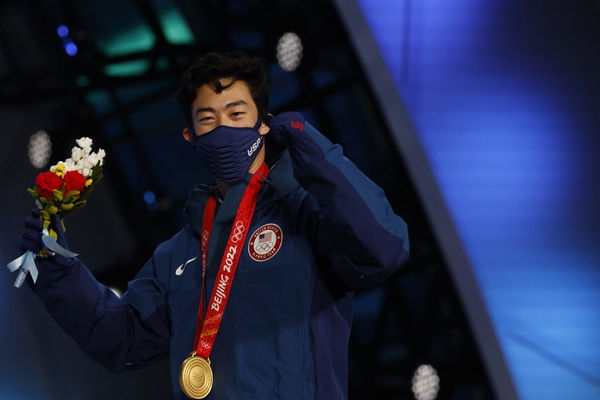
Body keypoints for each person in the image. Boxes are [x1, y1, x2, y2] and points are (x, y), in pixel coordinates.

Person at [18, 51, 409, 400]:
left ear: (263, 125)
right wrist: (53, 264)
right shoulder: (178, 253)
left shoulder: (306, 214)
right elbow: (120, 340)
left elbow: (382, 251)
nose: (223, 128)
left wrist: (313, 149)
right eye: (209, 119)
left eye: (237, 114)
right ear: (191, 136)